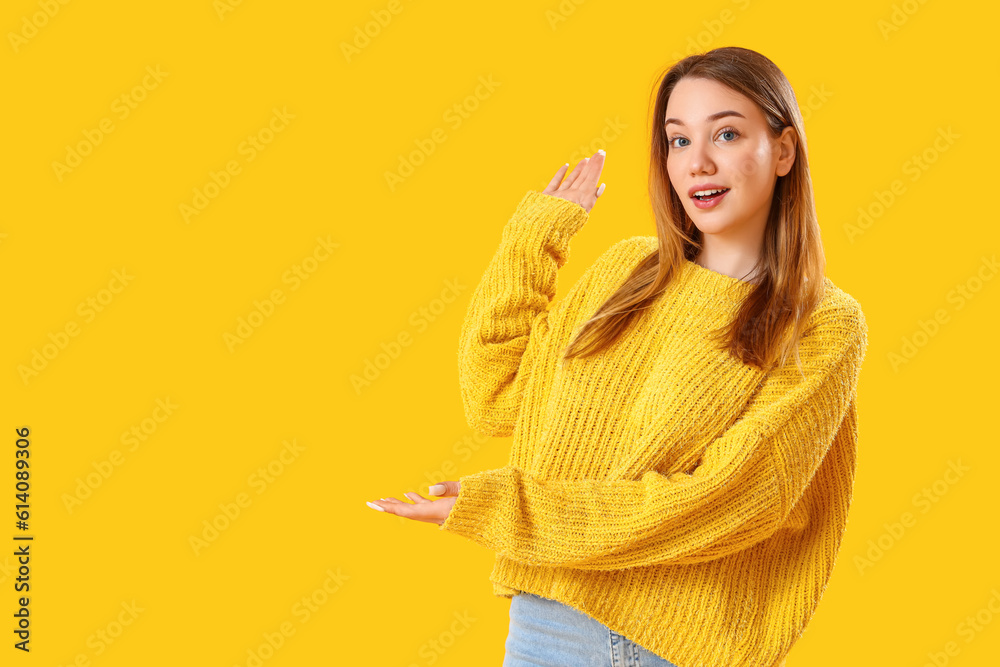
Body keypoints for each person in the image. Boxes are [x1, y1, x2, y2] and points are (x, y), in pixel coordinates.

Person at [366, 46, 868, 667]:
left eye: (727, 133)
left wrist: (510, 510)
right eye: (677, 141)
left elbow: (727, 500)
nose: (697, 163)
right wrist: (535, 237)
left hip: (662, 643)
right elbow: (501, 397)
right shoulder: (626, 272)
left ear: (784, 150)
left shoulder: (822, 323)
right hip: (543, 621)